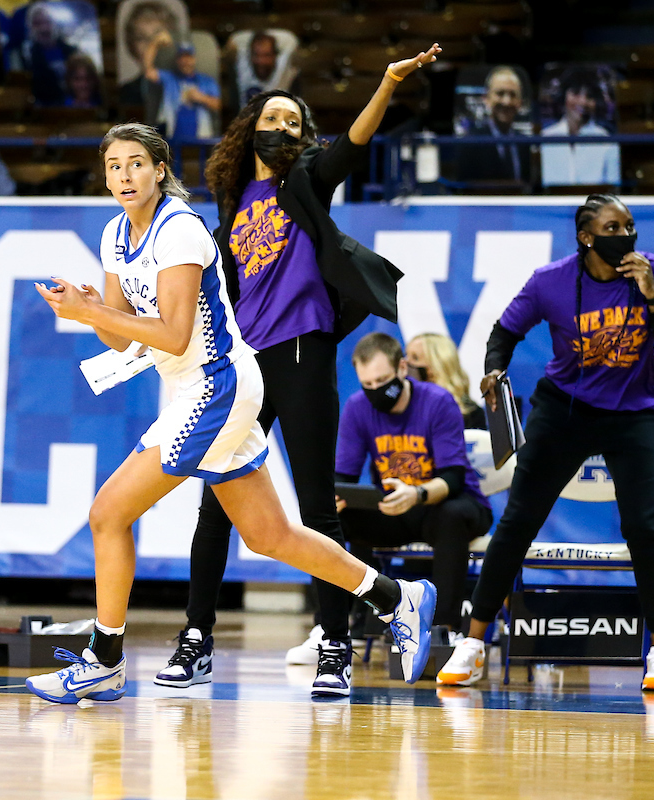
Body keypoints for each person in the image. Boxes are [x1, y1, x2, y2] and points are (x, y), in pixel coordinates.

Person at [23, 123, 437, 705]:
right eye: (114, 166)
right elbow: (121, 337)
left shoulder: (179, 229)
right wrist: (92, 310)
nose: (124, 176)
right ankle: (396, 597)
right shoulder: (115, 233)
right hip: (194, 389)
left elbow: (173, 334)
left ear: (160, 170)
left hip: (217, 385)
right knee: (270, 535)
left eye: (136, 163)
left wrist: (91, 314)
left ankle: (104, 660)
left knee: (108, 514)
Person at [151, 45, 442, 698]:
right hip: (242, 365)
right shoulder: (231, 201)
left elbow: (352, 145)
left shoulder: (305, 179)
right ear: (250, 129)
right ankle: (197, 640)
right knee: (214, 508)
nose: (282, 128)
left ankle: (335, 645)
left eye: (293, 123)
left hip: (302, 354)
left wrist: (386, 82)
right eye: (273, 119)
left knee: (317, 508)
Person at [437, 194, 654, 692]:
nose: (626, 234)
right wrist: (494, 370)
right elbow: (503, 332)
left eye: (630, 225)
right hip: (565, 411)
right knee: (518, 522)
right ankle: (473, 643)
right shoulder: (549, 280)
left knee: (644, 529)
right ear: (586, 237)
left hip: (636, 414)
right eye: (613, 227)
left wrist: (653, 297)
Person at [334, 332, 493, 639]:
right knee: (331, 521)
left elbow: (453, 479)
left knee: (450, 514)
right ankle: (333, 627)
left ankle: (444, 629)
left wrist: (417, 494)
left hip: (450, 505)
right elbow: (345, 479)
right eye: (368, 384)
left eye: (383, 380)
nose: (376, 390)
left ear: (402, 368)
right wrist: (337, 499)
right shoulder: (357, 407)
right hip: (396, 508)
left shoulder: (438, 401)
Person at [540, 68, 619, 187]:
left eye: (589, 96)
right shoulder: (545, 138)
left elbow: (613, 190)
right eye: (576, 93)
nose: (582, 102)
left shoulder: (607, 142)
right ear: (564, 96)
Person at [455, 66, 531, 184]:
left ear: (520, 102)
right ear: (486, 99)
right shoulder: (471, 142)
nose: (506, 102)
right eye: (500, 94)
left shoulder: (524, 143)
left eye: (513, 94)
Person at [142, 34, 220, 141]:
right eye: (182, 57)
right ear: (177, 60)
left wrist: (201, 98)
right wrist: (155, 44)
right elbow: (148, 71)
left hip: (201, 139)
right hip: (171, 138)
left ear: (194, 59)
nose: (185, 61)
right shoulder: (169, 78)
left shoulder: (206, 81)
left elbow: (218, 105)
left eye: (188, 57)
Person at [406, 332, 485, 430]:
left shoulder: (471, 414)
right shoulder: (401, 408)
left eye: (415, 358)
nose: (405, 363)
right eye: (406, 355)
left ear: (436, 365)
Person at [117, 0, 179, 113]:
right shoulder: (125, 94)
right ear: (132, 46)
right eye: (141, 38)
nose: (150, 45)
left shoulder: (190, 87)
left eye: (157, 37)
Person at [19, 2, 76, 106]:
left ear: (55, 24)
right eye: (37, 23)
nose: (43, 28)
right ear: (30, 27)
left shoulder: (71, 51)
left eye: (47, 22)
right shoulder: (27, 57)